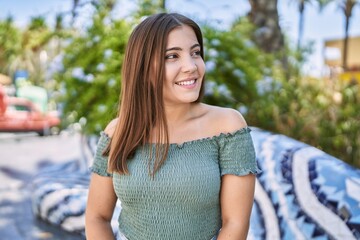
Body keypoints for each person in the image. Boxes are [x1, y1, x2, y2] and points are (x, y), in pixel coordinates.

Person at [85, 12, 260, 240]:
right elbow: (96, 217)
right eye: (172, 56)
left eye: (195, 53)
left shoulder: (228, 126)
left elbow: (235, 224)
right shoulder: (117, 132)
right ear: (143, 67)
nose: (191, 66)